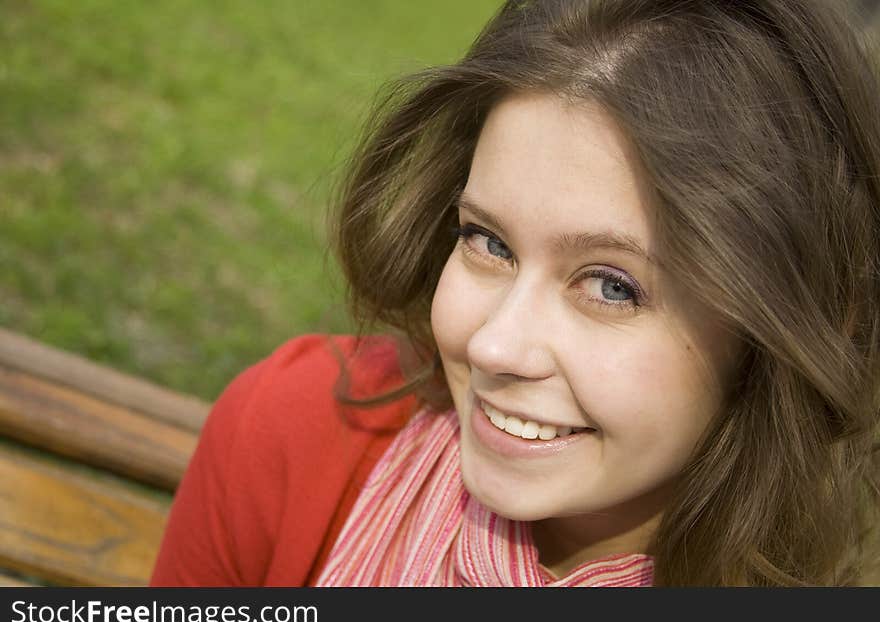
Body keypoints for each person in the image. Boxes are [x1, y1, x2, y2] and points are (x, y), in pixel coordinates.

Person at [150, 0, 880, 587]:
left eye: (610, 285)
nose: (493, 343)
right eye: (488, 242)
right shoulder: (299, 435)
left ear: (798, 323)